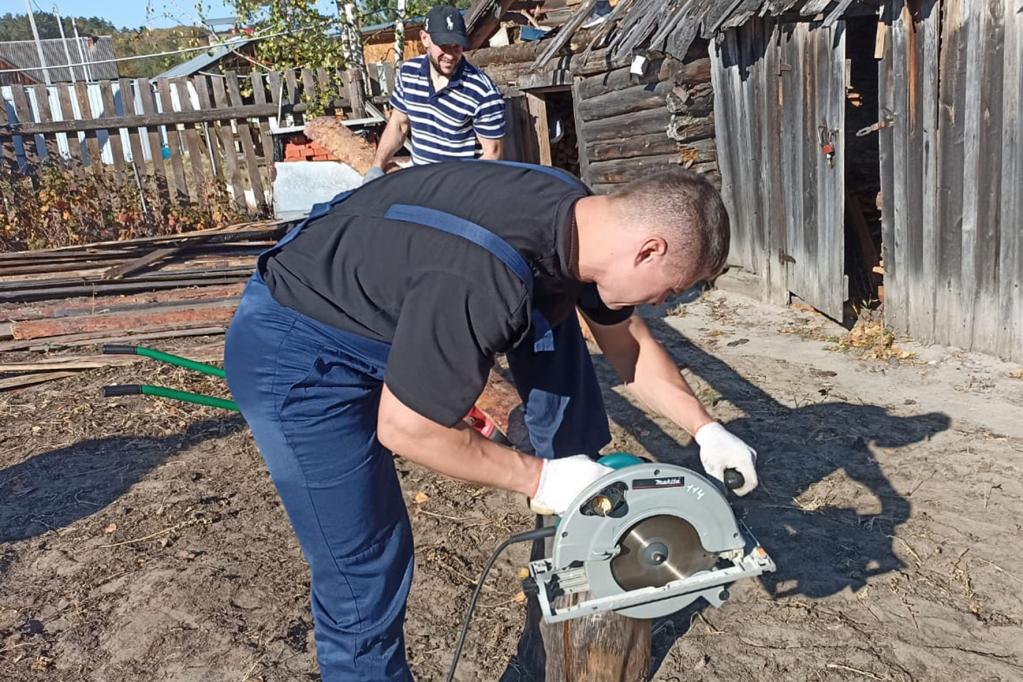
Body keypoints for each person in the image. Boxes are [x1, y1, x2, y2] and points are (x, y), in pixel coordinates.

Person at [224, 160, 759, 680]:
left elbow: (626, 343)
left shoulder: (581, 219)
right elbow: (407, 429)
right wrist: (541, 478)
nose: (664, 302)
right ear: (649, 249)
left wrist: (706, 428)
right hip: (299, 350)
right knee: (364, 565)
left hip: (385, 297)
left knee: (555, 317)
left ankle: (574, 506)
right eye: (671, 290)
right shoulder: (482, 277)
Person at [365, 5, 506, 182]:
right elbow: (399, 125)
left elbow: (493, 154)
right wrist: (377, 167)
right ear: (425, 38)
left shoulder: (482, 91)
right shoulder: (408, 73)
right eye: (443, 46)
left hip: (460, 184)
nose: (450, 55)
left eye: (456, 46)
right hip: (420, 180)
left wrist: (462, 189)